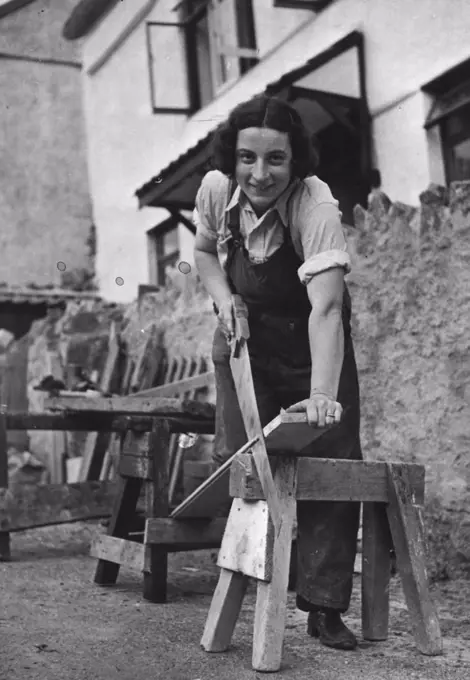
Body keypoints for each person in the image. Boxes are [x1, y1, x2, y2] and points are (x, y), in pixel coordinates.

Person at [193, 95, 362, 651]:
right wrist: (225, 303)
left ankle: (325, 605)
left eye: (275, 160)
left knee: (333, 470)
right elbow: (204, 254)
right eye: (247, 158)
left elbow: (328, 309)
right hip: (244, 345)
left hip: (314, 344)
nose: (259, 173)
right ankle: (248, 588)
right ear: (231, 157)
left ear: (296, 162)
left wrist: (320, 394)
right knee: (244, 469)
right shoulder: (217, 191)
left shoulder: (314, 208)